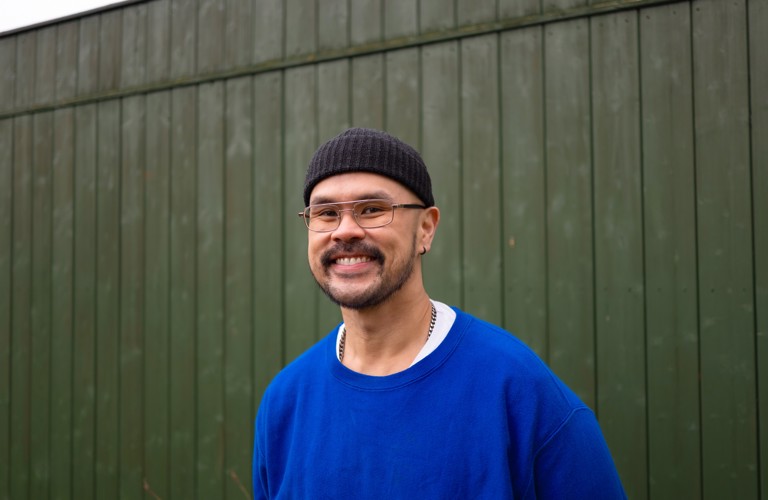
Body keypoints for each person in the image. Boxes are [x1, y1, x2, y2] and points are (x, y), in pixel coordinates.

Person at [252, 127, 626, 499]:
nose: (345, 230)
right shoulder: (285, 403)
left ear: (426, 229)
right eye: (326, 213)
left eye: (372, 209)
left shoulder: (520, 393)